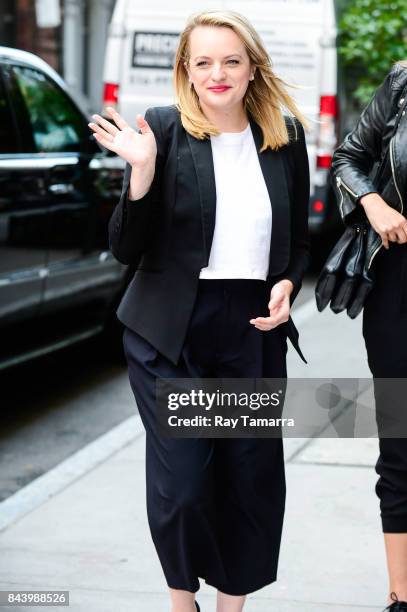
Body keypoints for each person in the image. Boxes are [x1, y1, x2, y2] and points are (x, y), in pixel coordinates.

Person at [89, 10, 310, 612]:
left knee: (248, 480)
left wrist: (288, 283)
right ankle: (181, 601)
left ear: (251, 67)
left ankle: (230, 607)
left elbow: (296, 243)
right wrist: (140, 171)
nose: (218, 73)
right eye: (204, 61)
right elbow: (125, 248)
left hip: (252, 330)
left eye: (231, 60)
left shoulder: (283, 136)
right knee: (185, 487)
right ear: (186, 69)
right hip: (172, 332)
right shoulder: (162, 129)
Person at [330, 60, 407, 612]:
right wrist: (373, 201)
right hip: (399, 287)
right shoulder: (403, 83)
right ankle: (401, 594)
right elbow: (349, 156)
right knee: (400, 443)